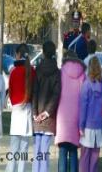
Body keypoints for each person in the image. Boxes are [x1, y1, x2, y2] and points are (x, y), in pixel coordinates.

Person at [6, 44, 35, 172]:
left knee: (13, 150)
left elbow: (11, 94)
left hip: (17, 111)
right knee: (23, 151)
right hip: (28, 111)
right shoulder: (32, 71)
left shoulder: (13, 72)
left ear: (18, 54)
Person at [32, 41, 61, 172]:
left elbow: (34, 92)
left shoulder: (38, 70)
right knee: (44, 152)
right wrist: (47, 113)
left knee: (37, 151)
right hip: (49, 118)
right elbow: (56, 94)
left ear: (43, 52)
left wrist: (35, 113)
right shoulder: (57, 72)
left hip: (37, 116)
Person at [56, 50, 86, 172]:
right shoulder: (83, 74)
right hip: (76, 115)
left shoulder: (61, 71)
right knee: (73, 150)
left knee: (63, 150)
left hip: (62, 115)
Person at [79, 57, 102, 172]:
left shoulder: (86, 85)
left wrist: (81, 126)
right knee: (95, 158)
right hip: (99, 125)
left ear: (89, 67)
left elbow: (83, 107)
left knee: (84, 157)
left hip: (87, 125)